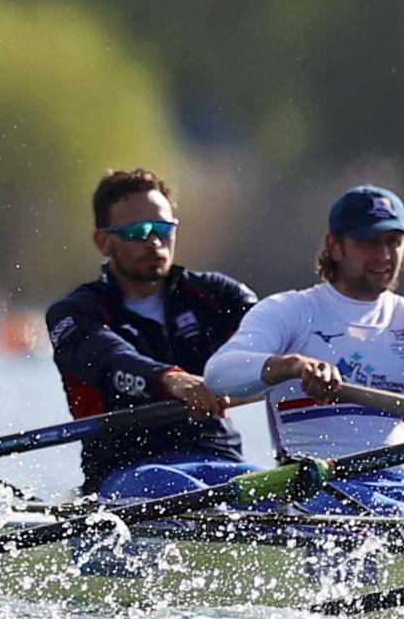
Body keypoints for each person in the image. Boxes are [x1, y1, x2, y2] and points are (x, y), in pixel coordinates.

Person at [202, 184, 404, 518]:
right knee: (384, 517)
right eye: (369, 241)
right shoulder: (291, 311)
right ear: (334, 246)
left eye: (393, 242)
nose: (384, 255)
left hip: (403, 488)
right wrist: (293, 366)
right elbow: (219, 374)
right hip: (317, 485)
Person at [47, 168, 264, 501]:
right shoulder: (74, 314)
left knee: (287, 492)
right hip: (126, 472)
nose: (154, 242)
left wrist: (300, 363)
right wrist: (170, 380)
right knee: (179, 492)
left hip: (220, 460)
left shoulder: (217, 296)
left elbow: (272, 332)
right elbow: (111, 359)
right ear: (103, 242)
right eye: (138, 232)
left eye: (163, 229)